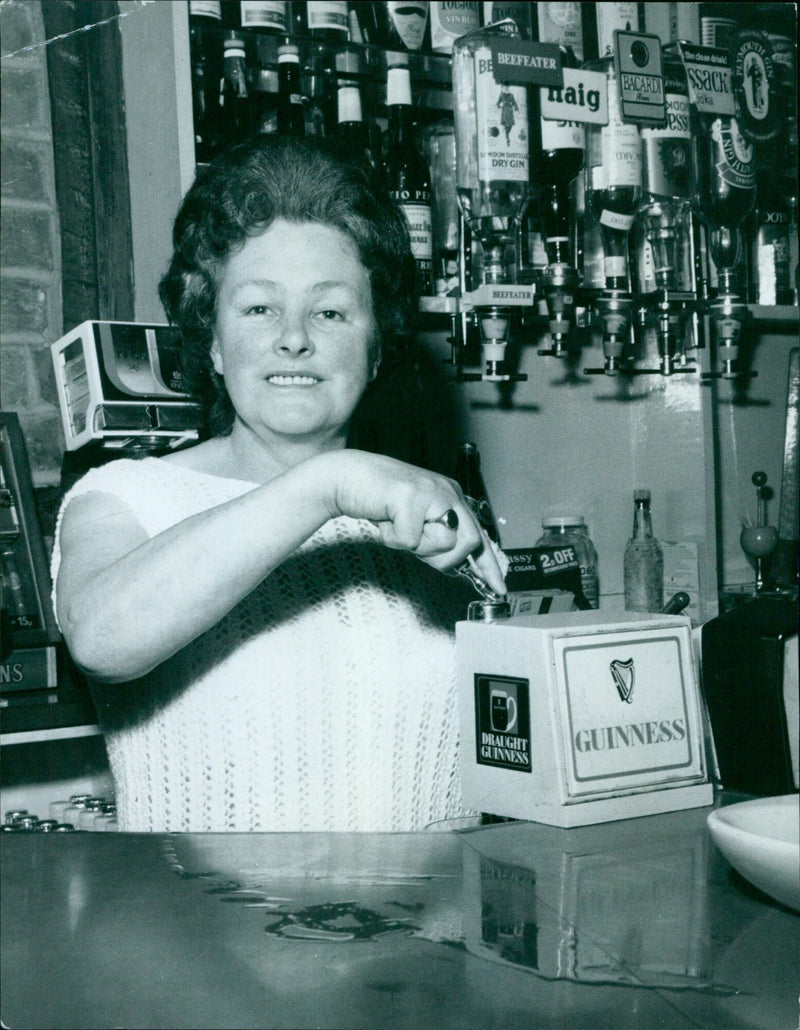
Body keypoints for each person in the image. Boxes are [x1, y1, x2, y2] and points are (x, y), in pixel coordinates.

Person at [51, 134, 506, 833]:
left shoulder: (428, 509)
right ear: (211, 341)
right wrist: (328, 482)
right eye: (260, 309)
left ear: (376, 342)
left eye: (329, 311)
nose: (294, 338)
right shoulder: (122, 498)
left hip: (432, 936)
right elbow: (99, 638)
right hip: (212, 934)